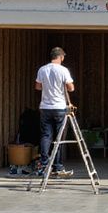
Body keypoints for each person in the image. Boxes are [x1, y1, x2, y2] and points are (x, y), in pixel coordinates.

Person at [35, 46, 74, 177]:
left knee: (46, 136)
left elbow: (38, 86)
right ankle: (57, 166)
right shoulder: (63, 70)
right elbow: (71, 88)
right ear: (61, 57)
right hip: (59, 108)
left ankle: (45, 164)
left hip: (45, 107)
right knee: (59, 139)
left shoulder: (42, 69)